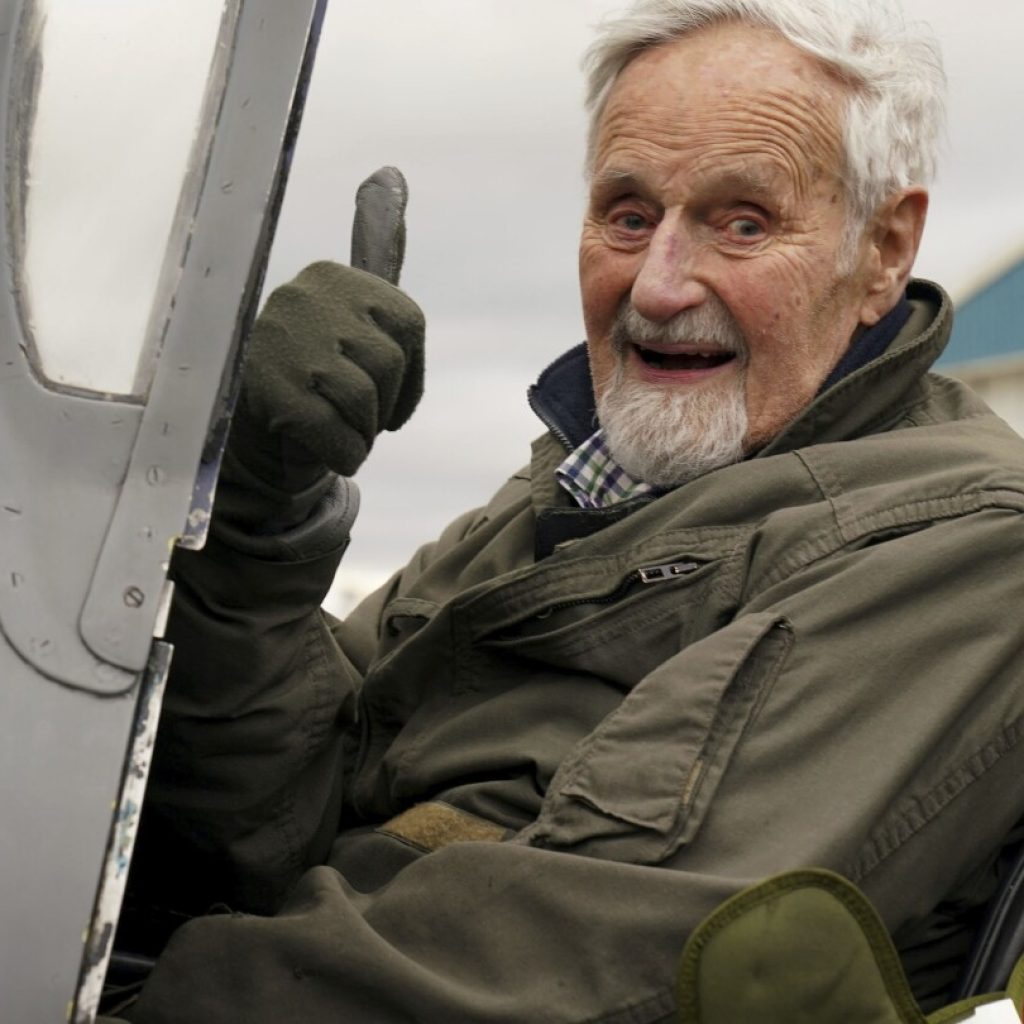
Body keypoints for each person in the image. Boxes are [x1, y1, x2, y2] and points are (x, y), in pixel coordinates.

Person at [112, 0, 1024, 1020]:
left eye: (742, 222)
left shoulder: (965, 545)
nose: (661, 285)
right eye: (629, 216)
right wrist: (258, 523)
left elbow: (582, 966)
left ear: (884, 250)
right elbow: (269, 827)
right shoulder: (583, 484)